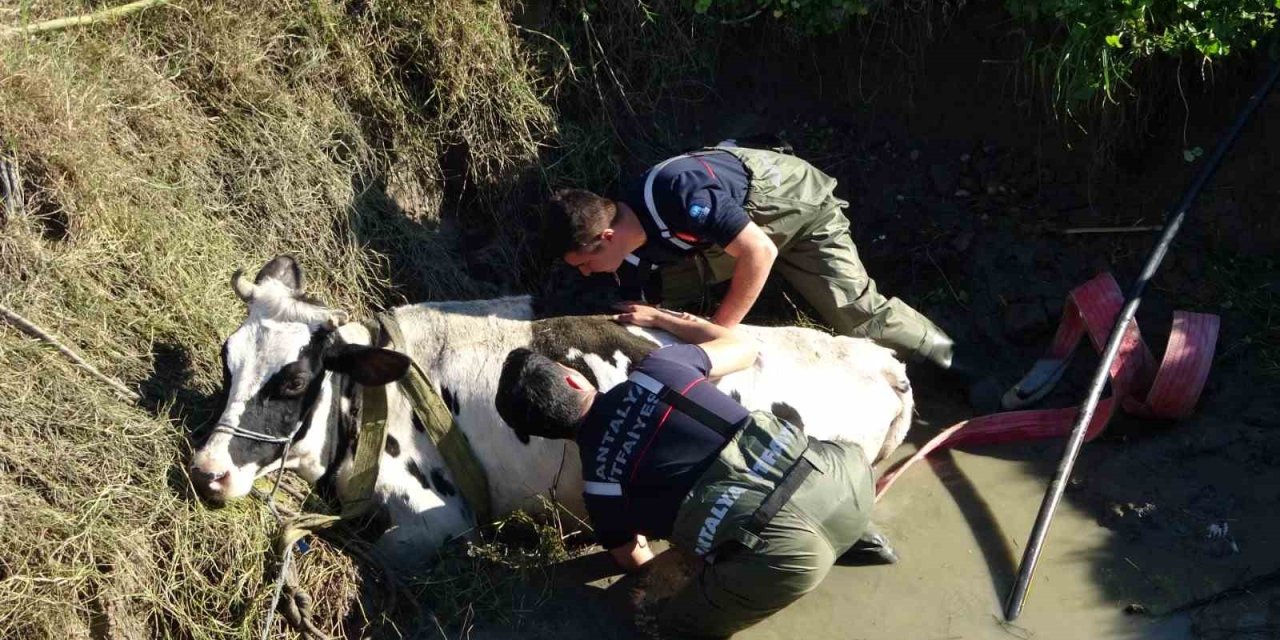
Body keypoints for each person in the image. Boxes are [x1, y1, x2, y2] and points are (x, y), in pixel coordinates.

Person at [494, 304, 892, 638]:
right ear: (572, 376)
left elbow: (634, 560)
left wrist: (690, 569)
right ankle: (856, 535)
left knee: (656, 620)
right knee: (794, 465)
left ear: (545, 432)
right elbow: (742, 347)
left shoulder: (600, 488)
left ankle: (825, 543)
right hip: (847, 477)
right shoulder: (657, 371)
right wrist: (664, 318)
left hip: (790, 560)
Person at [544, 141, 1000, 409]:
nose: (586, 274)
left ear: (605, 237)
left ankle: (961, 362)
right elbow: (640, 313)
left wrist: (720, 336)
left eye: (584, 264)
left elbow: (758, 251)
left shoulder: (677, 195)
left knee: (857, 316)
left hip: (797, 213)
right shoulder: (628, 243)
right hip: (734, 232)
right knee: (661, 300)